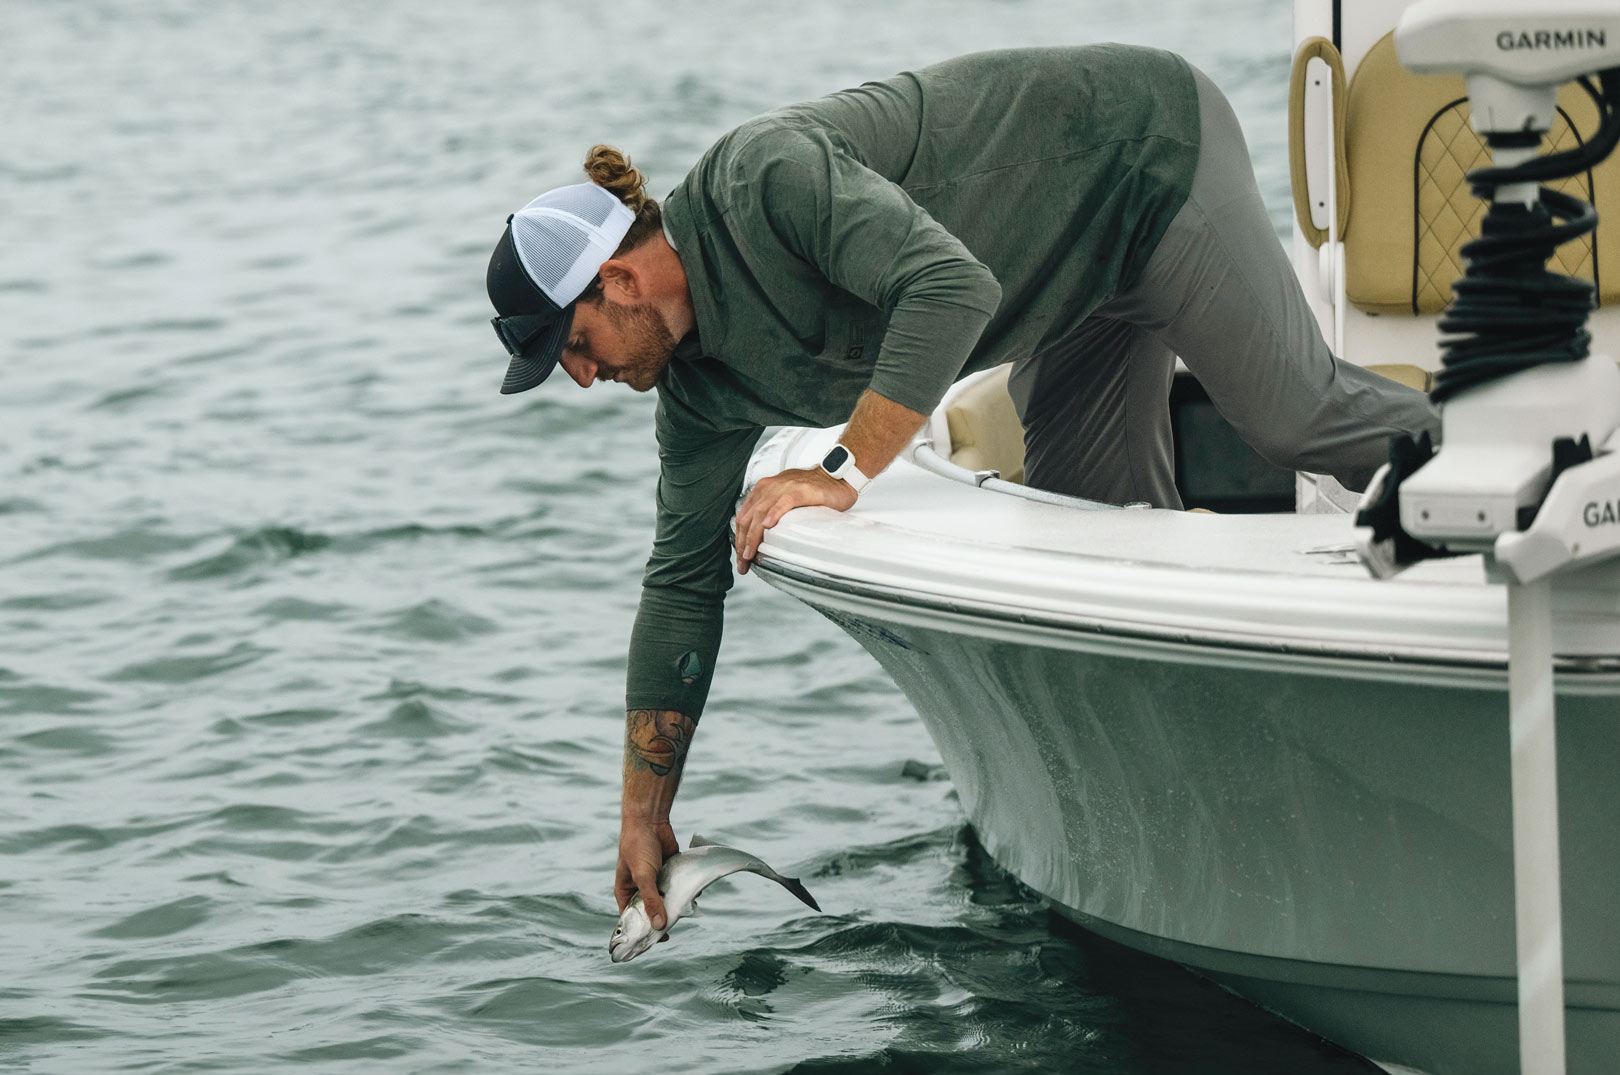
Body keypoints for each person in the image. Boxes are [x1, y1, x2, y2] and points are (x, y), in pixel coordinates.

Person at [484, 45, 1438, 934]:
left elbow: (948, 288)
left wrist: (840, 470)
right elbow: (683, 580)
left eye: (571, 345)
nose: (578, 377)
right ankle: (1227, 828)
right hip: (1074, 293)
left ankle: (1481, 478)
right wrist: (644, 814)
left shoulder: (765, 180)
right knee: (1089, 553)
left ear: (616, 277)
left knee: (1289, 420)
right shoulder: (697, 392)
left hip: (1147, 163)